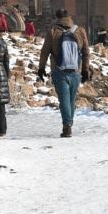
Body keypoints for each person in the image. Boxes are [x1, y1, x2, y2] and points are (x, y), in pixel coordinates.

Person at [38, 9, 91, 138]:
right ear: (69, 17)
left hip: (59, 70)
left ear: (57, 18)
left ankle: (67, 126)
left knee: (64, 100)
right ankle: (69, 124)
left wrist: (41, 68)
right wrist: (85, 70)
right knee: (71, 100)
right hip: (76, 71)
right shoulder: (80, 31)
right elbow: (86, 52)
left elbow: (45, 51)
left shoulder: (53, 31)